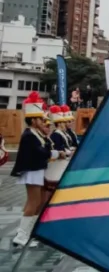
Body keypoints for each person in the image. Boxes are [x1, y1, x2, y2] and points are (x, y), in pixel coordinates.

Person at [12, 92, 62, 248]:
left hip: (38, 170)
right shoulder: (29, 135)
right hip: (32, 171)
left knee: (39, 202)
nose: (44, 122)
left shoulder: (36, 134)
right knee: (33, 202)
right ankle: (21, 235)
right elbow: (40, 152)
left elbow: (45, 148)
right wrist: (55, 153)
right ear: (33, 120)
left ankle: (29, 232)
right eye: (40, 119)